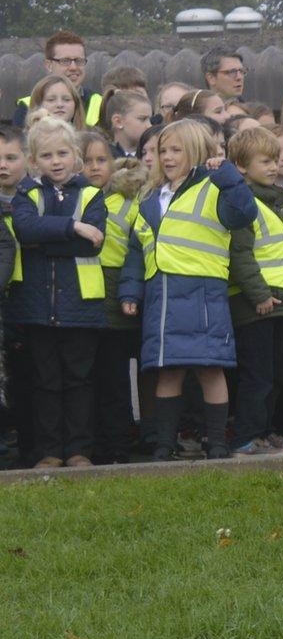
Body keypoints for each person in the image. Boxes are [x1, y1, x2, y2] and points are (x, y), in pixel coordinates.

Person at [118, 119, 257, 460]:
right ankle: (165, 444)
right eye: (162, 150)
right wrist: (130, 292)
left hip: (203, 296)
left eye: (175, 150)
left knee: (211, 368)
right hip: (161, 296)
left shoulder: (214, 186)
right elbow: (138, 250)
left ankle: (217, 442)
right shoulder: (149, 195)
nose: (166, 157)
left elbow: (243, 213)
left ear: (195, 151)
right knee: (168, 370)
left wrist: (227, 176)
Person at [12, 121, 107, 467]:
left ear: (77, 157)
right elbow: (24, 228)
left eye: (63, 153)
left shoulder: (92, 195)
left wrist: (47, 240)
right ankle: (50, 452)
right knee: (45, 382)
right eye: (47, 155)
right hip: (37, 307)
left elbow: (92, 245)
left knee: (80, 381)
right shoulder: (28, 193)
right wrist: (72, 227)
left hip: (80, 306)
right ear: (34, 161)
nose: (56, 161)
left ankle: (80, 451)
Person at [223, 126, 283, 455]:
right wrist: (258, 294)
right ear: (242, 166)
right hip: (258, 303)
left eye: (277, 159)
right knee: (258, 376)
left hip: (280, 300)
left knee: (275, 375)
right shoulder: (246, 203)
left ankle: (266, 431)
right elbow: (240, 254)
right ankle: (247, 436)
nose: (274, 166)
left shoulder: (275, 201)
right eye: (265, 161)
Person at [94, 147, 148, 463]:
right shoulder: (115, 201)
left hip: (117, 293)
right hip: (118, 293)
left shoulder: (119, 203)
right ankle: (118, 442)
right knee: (115, 376)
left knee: (112, 376)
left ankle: (116, 444)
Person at [13, 31, 102, 127]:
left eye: (79, 61)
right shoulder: (27, 106)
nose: (73, 67)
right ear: (49, 65)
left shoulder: (100, 103)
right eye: (65, 61)